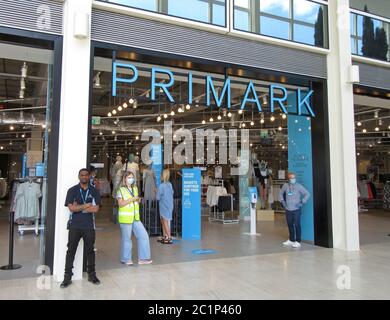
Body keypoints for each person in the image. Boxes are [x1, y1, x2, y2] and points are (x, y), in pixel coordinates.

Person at [61, 168, 101, 289]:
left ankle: (92, 275)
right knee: (70, 251)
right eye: (82, 175)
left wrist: (79, 207)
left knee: (90, 251)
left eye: (86, 175)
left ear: (89, 177)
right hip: (75, 226)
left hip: (89, 226)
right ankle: (67, 277)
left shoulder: (94, 191)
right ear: (79, 176)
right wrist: (86, 206)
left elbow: (96, 209)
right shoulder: (72, 190)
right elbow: (71, 208)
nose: (84, 177)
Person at [116, 171, 152, 265]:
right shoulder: (120, 190)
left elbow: (135, 201)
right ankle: (126, 259)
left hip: (136, 218)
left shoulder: (135, 188)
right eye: (129, 177)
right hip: (125, 218)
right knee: (127, 239)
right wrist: (132, 199)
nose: (131, 179)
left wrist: (138, 200)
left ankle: (143, 258)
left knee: (143, 235)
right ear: (124, 179)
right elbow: (120, 204)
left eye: (132, 177)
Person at [279, 172, 310, 249]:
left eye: (294, 178)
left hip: (296, 209)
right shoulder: (285, 186)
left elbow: (307, 194)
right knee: (289, 224)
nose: (293, 179)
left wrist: (302, 202)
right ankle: (291, 239)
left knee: (297, 224)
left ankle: (298, 241)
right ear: (288, 179)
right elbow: (280, 193)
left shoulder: (299, 186)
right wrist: (283, 201)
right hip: (288, 209)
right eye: (291, 178)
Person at [156, 169, 174, 244]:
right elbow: (172, 192)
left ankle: (169, 237)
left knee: (165, 221)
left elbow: (157, 197)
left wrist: (156, 192)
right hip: (169, 205)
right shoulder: (169, 184)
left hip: (164, 206)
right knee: (163, 221)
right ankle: (165, 236)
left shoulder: (161, 186)